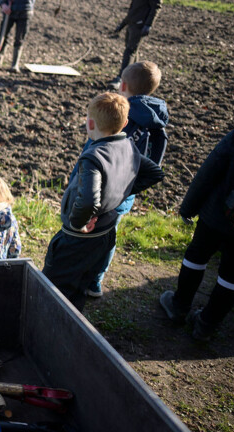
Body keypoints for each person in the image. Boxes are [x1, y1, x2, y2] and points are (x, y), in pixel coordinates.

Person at [42, 92, 164, 312]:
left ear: (90, 123)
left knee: (53, 285)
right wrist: (117, 194)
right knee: (81, 283)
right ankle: (74, 316)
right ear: (125, 123)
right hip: (106, 233)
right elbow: (154, 172)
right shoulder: (129, 146)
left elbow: (88, 200)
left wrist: (78, 223)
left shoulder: (93, 157)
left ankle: (51, 321)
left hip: (78, 238)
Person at [159, 111, 234, 340]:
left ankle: (179, 306)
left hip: (217, 212)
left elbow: (209, 171)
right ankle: (207, 325)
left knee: (197, 255)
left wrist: (188, 208)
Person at [87, 61, 169, 298]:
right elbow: (155, 162)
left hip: (103, 186)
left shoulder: (121, 114)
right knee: (109, 233)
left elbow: (99, 146)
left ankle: (80, 274)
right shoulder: (157, 120)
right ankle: (96, 280)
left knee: (89, 229)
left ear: (122, 85)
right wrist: (134, 186)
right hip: (127, 189)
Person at [109, 0, 165, 88]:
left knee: (130, 51)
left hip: (140, 24)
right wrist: (123, 24)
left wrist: (148, 25)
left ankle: (121, 78)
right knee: (132, 50)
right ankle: (136, 77)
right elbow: (135, 8)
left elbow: (155, 8)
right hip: (132, 22)